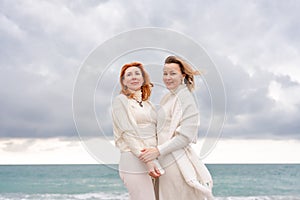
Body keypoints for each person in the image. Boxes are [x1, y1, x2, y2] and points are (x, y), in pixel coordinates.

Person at [139, 56, 214, 200]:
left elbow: (185, 137)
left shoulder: (186, 99)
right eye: (165, 73)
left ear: (183, 76)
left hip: (175, 163)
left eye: (173, 73)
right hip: (162, 161)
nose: (167, 77)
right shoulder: (168, 98)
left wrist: (157, 151)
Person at [111, 62, 162, 200]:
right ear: (123, 81)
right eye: (129, 75)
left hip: (152, 159)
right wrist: (148, 161)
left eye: (137, 73)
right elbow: (128, 133)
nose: (133, 77)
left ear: (143, 79)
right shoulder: (120, 101)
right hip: (133, 158)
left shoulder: (148, 104)